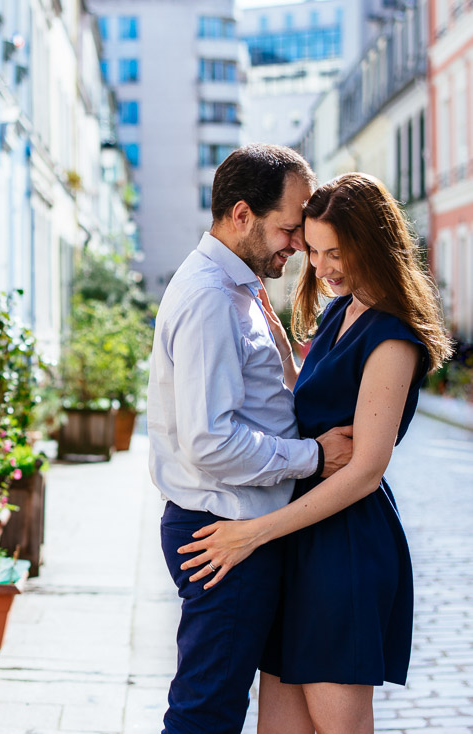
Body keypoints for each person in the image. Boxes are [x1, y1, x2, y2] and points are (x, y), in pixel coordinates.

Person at [177, 172, 452, 733]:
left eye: (337, 252)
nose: (323, 267)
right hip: (299, 542)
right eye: (316, 251)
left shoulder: (392, 336)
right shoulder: (338, 314)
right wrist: (275, 336)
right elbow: (315, 402)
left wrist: (254, 532)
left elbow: (365, 472)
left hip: (343, 548)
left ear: (374, 244)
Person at [146, 144, 355, 734]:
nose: (298, 247)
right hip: (224, 533)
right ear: (241, 215)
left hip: (237, 527)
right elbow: (210, 440)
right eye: (289, 230)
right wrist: (312, 456)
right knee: (206, 714)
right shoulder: (212, 296)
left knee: (213, 707)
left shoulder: (236, 289)